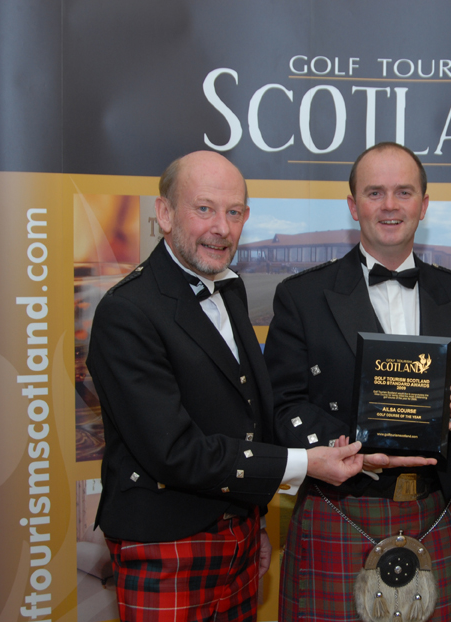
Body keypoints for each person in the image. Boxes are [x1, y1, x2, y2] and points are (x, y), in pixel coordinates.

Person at [86, 150, 365, 622]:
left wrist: (249, 521)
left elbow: (248, 415)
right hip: (165, 547)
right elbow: (173, 452)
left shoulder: (228, 288)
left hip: (237, 537)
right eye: (204, 208)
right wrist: (304, 462)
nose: (221, 226)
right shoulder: (126, 312)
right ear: (165, 213)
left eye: (233, 212)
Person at [264, 142, 451, 621]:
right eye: (375, 192)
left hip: (437, 508)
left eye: (403, 192)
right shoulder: (300, 297)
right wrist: (346, 448)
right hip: (341, 505)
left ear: (423, 205)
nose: (390, 205)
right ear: (353, 206)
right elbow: (282, 406)